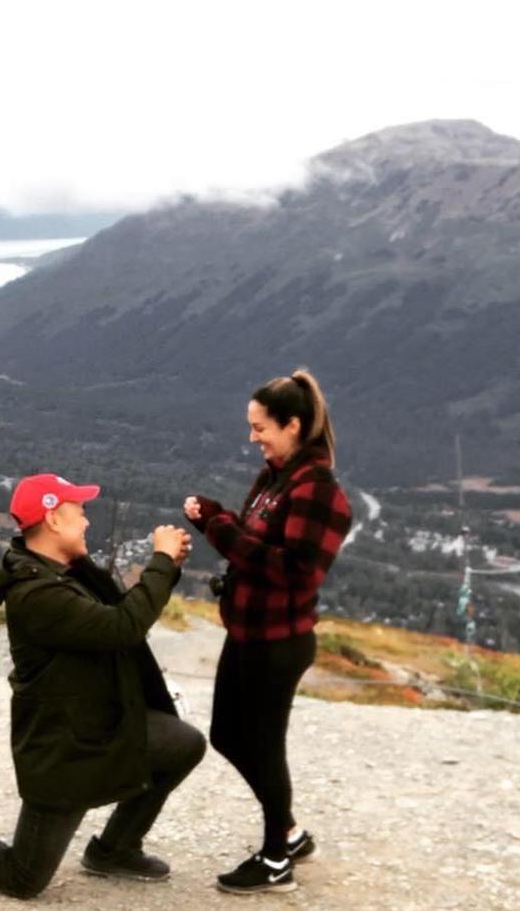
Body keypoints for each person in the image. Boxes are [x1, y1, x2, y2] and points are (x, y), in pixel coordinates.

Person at [0, 472, 205, 898]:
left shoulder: (68, 571)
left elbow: (121, 610)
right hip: (64, 748)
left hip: (98, 727)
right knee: (23, 879)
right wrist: (160, 560)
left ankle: (115, 849)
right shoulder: (35, 594)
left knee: (183, 744)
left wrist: (167, 568)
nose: (86, 522)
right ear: (54, 521)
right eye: (80, 512)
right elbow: (123, 627)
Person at [184, 369, 352, 895]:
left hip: (280, 641)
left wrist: (218, 528)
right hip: (248, 631)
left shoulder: (318, 489)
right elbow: (255, 540)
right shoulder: (277, 476)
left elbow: (295, 569)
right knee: (227, 735)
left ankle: (276, 856)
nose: (253, 437)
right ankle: (290, 833)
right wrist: (215, 517)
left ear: (292, 425)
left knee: (263, 743)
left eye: (260, 427)